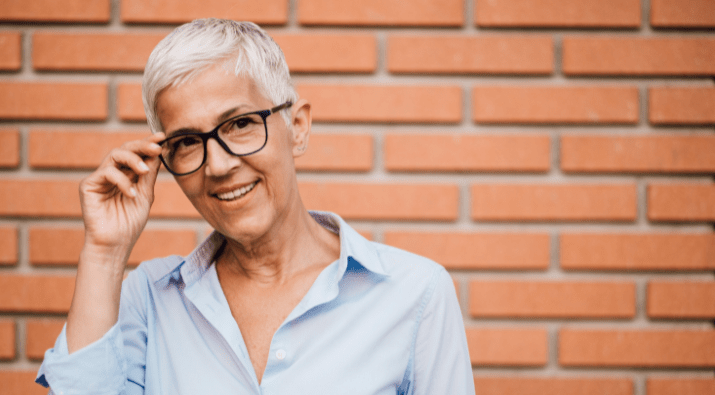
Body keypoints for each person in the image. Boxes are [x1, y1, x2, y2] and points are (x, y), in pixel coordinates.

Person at [36, 18, 474, 395]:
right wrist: (104, 252)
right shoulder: (149, 299)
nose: (220, 166)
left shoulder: (416, 295)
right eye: (188, 142)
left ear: (297, 127)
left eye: (241, 124)